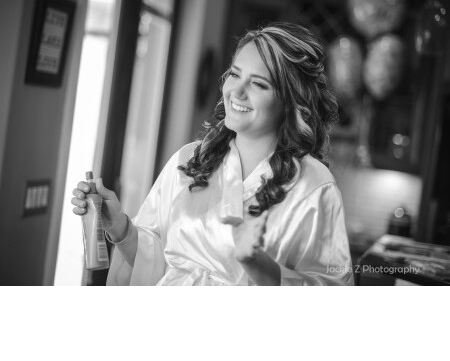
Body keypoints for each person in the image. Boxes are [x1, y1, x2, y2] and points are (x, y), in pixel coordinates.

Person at [72, 22, 354, 286]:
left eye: (258, 84)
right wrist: (120, 227)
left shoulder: (314, 186)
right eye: (235, 74)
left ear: (290, 102)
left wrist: (262, 267)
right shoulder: (189, 160)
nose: (237, 92)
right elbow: (154, 259)